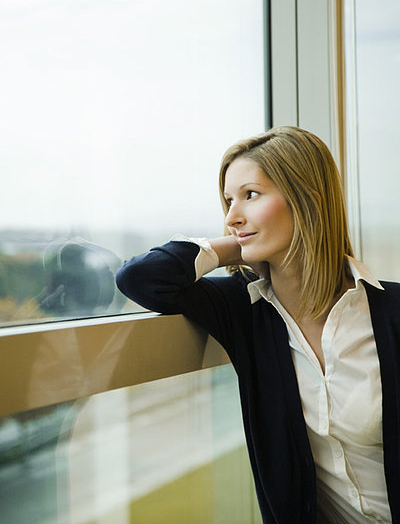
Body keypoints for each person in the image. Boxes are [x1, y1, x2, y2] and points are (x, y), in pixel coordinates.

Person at [116, 126, 400, 524]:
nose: (232, 216)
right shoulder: (245, 310)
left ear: (308, 202)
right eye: (229, 200)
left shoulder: (393, 313)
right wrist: (234, 245)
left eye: (250, 195)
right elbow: (140, 277)